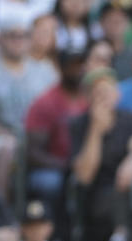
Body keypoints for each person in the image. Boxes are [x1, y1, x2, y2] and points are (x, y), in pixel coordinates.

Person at [0, 9, 58, 198]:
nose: (18, 41)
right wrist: (18, 136)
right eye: (12, 36)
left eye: (24, 36)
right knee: (8, 146)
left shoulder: (46, 72)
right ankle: (2, 212)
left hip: (39, 141)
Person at [70, 68, 132, 241]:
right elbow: (85, 175)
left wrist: (131, 162)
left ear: (117, 94)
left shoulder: (130, 118)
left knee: (128, 186)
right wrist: (95, 130)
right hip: (94, 194)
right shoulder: (79, 124)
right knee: (111, 194)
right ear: (88, 97)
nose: (103, 98)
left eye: (107, 92)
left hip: (126, 186)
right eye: (97, 93)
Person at [24, 48, 90, 207]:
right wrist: (66, 166)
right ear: (62, 68)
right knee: (50, 182)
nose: (78, 70)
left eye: (81, 64)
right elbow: (33, 152)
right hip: (54, 166)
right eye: (72, 65)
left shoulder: (90, 97)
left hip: (86, 161)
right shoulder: (46, 102)